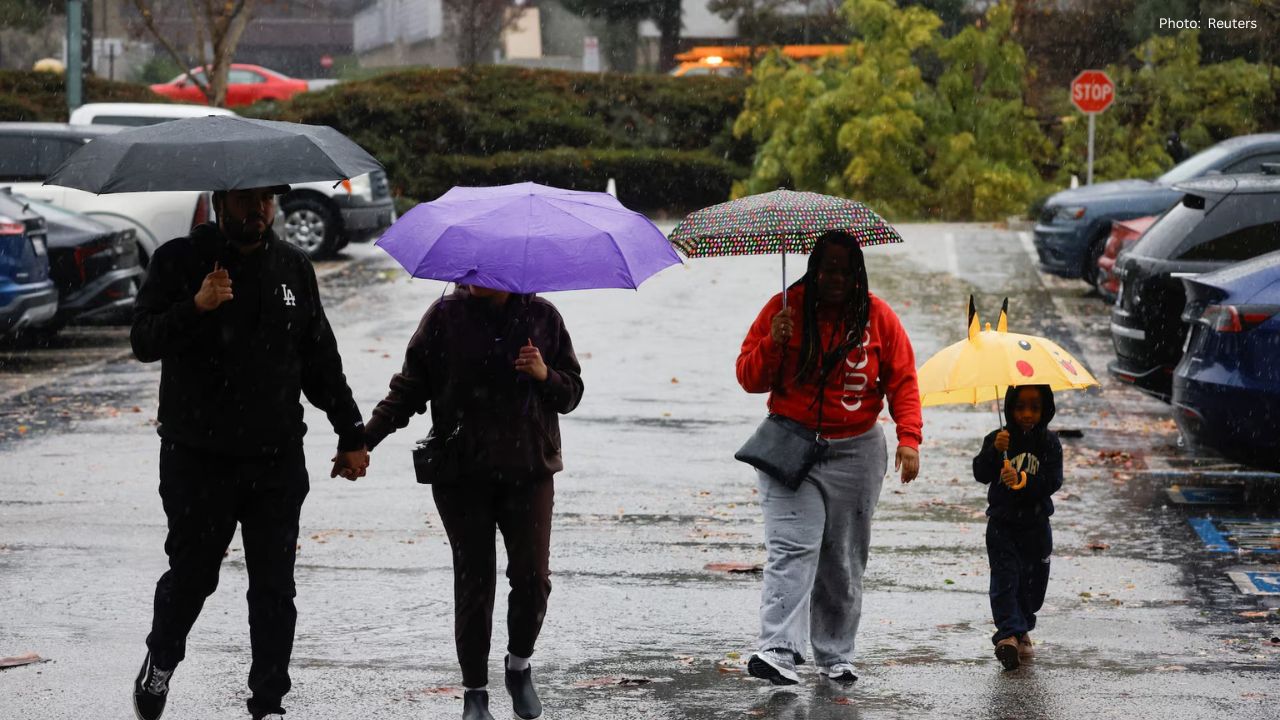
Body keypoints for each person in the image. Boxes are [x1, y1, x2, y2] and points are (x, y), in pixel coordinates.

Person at [129, 186, 370, 720]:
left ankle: (269, 703)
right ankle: (161, 659)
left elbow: (319, 359)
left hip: (276, 458)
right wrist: (196, 305)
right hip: (198, 458)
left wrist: (351, 433)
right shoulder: (179, 261)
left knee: (274, 589)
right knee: (193, 576)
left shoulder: (292, 268)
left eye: (266, 201)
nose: (257, 211)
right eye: (245, 201)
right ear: (220, 203)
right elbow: (143, 340)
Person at [363, 283, 583, 720]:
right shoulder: (444, 317)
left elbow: (572, 393)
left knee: (533, 577)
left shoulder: (543, 317)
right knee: (474, 581)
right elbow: (408, 389)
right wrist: (364, 439)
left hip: (529, 472)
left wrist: (546, 375)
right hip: (461, 475)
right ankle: (475, 693)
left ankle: (519, 666)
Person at [735, 230, 922, 686]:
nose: (835, 278)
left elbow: (902, 379)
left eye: (844, 270)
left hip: (856, 452)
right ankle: (777, 649)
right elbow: (748, 377)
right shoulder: (784, 309)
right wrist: (772, 342)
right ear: (813, 270)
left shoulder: (878, 317)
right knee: (792, 549)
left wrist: (909, 438)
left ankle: (835, 654)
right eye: (827, 269)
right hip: (791, 447)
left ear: (857, 274)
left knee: (842, 559)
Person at [972, 384, 1062, 671]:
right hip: (1002, 524)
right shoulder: (999, 439)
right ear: (1009, 408)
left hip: (1036, 526)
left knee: (1031, 585)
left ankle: (1022, 628)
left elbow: (1053, 480)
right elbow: (980, 473)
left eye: (1034, 408)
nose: (1026, 414)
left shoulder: (1049, 443)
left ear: (1045, 409)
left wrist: (1024, 481)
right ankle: (1008, 635)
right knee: (1005, 578)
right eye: (1020, 407)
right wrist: (993, 452)